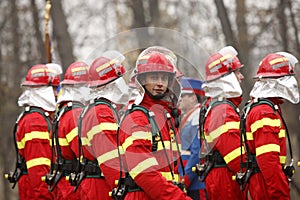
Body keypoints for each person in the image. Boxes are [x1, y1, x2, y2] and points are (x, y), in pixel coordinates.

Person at [118, 46, 191, 200]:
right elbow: (144, 172)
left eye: (163, 78)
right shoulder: (137, 118)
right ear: (142, 80)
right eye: (153, 78)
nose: (159, 83)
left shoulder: (165, 117)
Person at [242, 52, 299, 200]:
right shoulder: (264, 112)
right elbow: (269, 162)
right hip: (266, 188)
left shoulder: (263, 107)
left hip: (262, 184)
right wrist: (280, 195)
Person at [78, 50, 129, 200]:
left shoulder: (98, 108)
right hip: (101, 188)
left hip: (98, 183)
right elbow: (110, 158)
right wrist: (121, 187)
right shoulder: (102, 112)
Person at [199, 46, 246, 200]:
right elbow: (236, 159)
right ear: (227, 77)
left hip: (224, 179)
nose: (242, 77)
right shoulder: (222, 111)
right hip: (226, 183)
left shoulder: (220, 107)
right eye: (237, 72)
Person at [13, 64, 59, 199]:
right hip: (37, 193)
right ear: (45, 90)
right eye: (55, 89)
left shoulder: (37, 117)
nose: (57, 94)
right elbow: (39, 171)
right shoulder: (35, 122)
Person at [45, 61, 89, 199]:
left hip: (66, 185)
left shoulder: (65, 111)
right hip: (73, 188)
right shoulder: (74, 115)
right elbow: (85, 154)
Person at [178, 77, 206, 200]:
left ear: (193, 98)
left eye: (183, 95)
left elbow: (197, 153)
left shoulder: (197, 117)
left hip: (194, 181)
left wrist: (186, 179)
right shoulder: (188, 117)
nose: (179, 99)